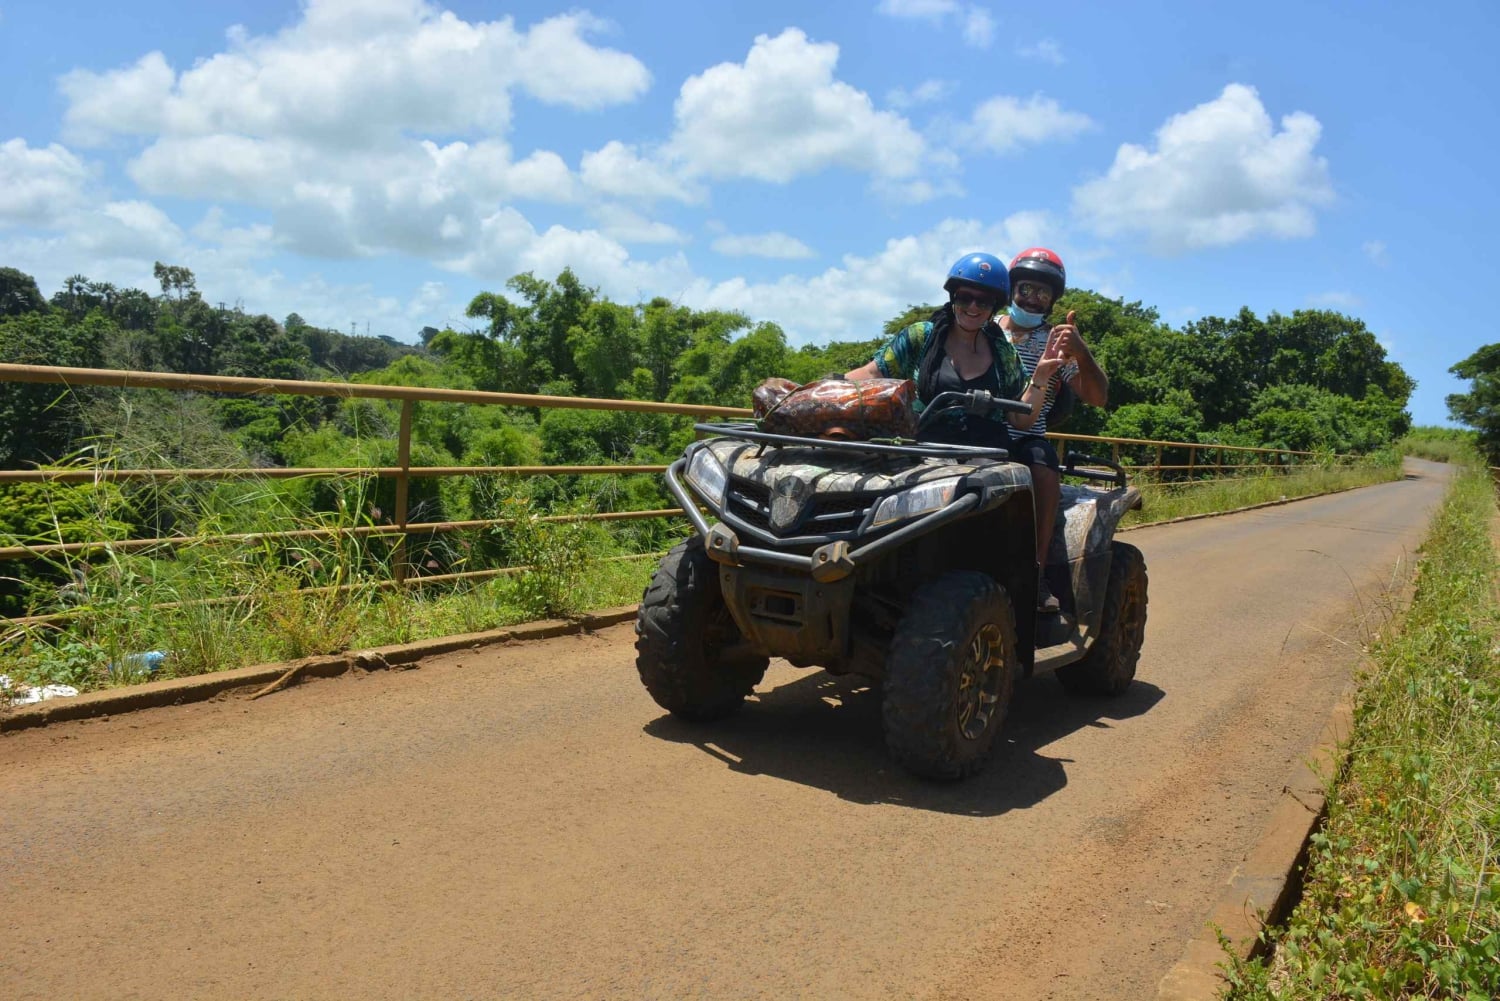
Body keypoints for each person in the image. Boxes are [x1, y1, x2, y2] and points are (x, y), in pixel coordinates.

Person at [844, 252, 1062, 451]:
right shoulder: (921, 336)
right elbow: (873, 374)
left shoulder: (1003, 352)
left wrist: (1041, 376)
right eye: (965, 298)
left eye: (983, 302)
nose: (973, 307)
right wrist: (824, 388)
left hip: (985, 458)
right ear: (953, 297)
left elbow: (1020, 419)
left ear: (993, 307)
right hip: (922, 451)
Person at [999, 247, 1109, 612]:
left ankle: (1037, 573)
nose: (1032, 298)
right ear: (1012, 289)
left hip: (1027, 438)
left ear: (1052, 301)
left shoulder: (1057, 344)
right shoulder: (986, 329)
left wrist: (1080, 352)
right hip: (978, 432)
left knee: (1044, 470)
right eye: (1026, 289)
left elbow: (1097, 397)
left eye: (1042, 293)